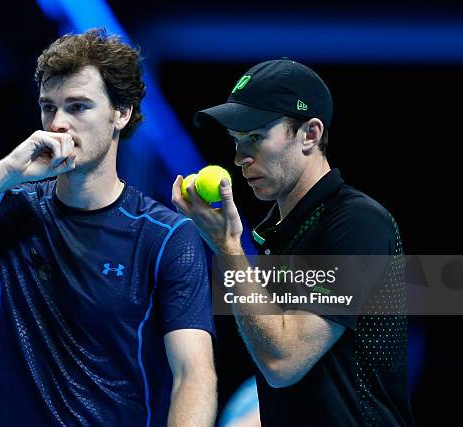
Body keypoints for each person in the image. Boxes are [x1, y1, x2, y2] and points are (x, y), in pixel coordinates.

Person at [0, 29, 216, 427]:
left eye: (78, 107)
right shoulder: (10, 206)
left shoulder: (167, 236)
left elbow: (194, 374)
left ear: (120, 114)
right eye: (48, 107)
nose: (58, 124)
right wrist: (4, 173)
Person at [172, 59, 414, 426]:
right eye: (236, 141)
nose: (239, 158)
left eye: (254, 136)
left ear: (311, 134)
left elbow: (283, 361)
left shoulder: (358, 223)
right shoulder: (281, 234)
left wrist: (228, 247)